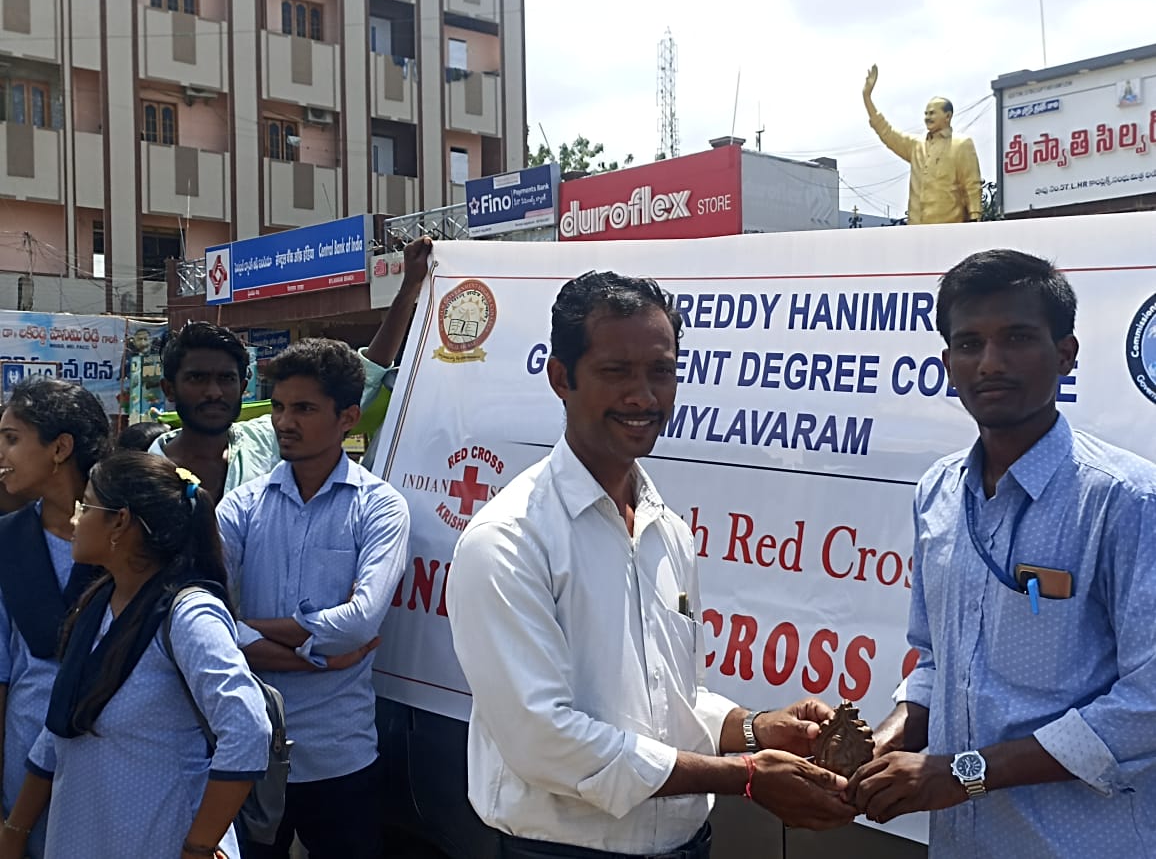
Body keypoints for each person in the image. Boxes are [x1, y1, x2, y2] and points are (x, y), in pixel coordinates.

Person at [446, 271, 856, 858]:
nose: (643, 396)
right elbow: (545, 741)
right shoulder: (509, 539)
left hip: (688, 844)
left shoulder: (667, 530)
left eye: (661, 371)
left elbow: (672, 700)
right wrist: (743, 776)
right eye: (617, 372)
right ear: (562, 378)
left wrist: (756, 727)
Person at [848, 250, 1156, 855]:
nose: (990, 363)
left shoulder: (1125, 502)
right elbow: (936, 659)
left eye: (1017, 338)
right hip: (962, 843)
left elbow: (1148, 703)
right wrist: (886, 741)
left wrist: (962, 773)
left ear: (1065, 354)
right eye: (969, 344)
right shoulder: (938, 492)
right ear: (947, 363)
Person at [0, 451, 271, 859]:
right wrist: (15, 831)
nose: (74, 520)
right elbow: (58, 730)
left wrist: (199, 846)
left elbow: (248, 729)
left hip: (157, 840)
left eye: (86, 506)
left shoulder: (189, 614)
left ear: (120, 522)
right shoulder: (99, 603)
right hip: (85, 837)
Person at [216, 338, 410, 859]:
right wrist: (315, 659)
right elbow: (203, 621)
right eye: (279, 407)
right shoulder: (242, 506)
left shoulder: (380, 508)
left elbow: (359, 625)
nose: (284, 421)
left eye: (303, 408)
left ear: (347, 416)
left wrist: (252, 628)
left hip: (340, 755)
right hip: (251, 751)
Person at [151, 235, 432, 500]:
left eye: (226, 378)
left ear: (243, 387)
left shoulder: (266, 439)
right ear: (169, 389)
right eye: (197, 378)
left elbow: (365, 376)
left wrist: (409, 287)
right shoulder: (140, 474)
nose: (213, 392)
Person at [0, 379, 111, 857]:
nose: (1, 452)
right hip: (24, 755)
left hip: (111, 762)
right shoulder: (9, 541)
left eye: (12, 438)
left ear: (61, 448)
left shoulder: (128, 537)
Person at [862, 64, 982, 224]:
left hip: (950, 228)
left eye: (932, 113)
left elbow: (972, 185)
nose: (927, 117)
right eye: (926, 113)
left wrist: (975, 219)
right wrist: (867, 98)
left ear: (947, 116)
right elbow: (887, 132)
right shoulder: (916, 146)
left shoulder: (961, 145)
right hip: (916, 228)